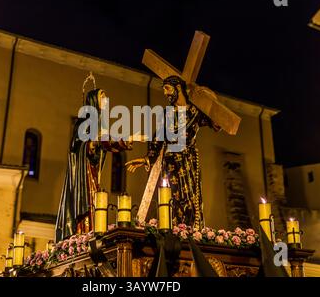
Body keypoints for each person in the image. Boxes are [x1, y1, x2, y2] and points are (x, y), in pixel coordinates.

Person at [126, 76, 221, 230]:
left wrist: (209, 97)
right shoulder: (167, 113)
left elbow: (216, 122)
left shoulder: (195, 111)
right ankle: (175, 230)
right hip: (170, 163)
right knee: (172, 199)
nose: (165, 93)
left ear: (178, 88)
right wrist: (146, 159)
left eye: (167, 88)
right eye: (163, 89)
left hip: (188, 161)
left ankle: (192, 232)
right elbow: (158, 139)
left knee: (190, 199)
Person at [55, 89, 132, 241]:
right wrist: (92, 143)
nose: (106, 99)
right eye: (102, 96)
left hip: (92, 171)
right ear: (94, 100)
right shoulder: (84, 122)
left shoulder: (99, 123)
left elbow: (105, 144)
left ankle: (89, 233)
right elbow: (77, 146)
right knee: (86, 200)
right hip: (82, 174)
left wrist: (121, 144)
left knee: (94, 201)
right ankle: (81, 235)